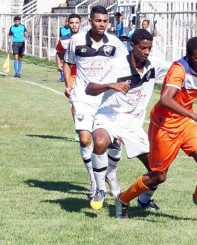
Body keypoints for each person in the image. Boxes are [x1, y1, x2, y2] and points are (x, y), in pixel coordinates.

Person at [115, 36, 197, 219]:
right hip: (165, 127)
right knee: (159, 176)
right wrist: (194, 115)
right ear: (188, 56)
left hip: (186, 125)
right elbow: (165, 98)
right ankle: (123, 200)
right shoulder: (178, 71)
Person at [85, 29, 170, 210]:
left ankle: (144, 200)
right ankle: (100, 189)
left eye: (149, 48)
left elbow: (179, 68)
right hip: (108, 117)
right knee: (99, 142)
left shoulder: (153, 65)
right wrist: (110, 84)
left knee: (159, 172)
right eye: (142, 48)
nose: (146, 52)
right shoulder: (115, 65)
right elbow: (89, 88)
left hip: (133, 125)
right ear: (132, 46)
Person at [64, 5, 128, 199]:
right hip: (83, 97)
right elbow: (68, 62)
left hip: (107, 99)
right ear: (90, 21)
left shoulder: (115, 43)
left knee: (116, 141)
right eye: (98, 21)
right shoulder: (76, 40)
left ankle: (111, 175)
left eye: (105, 21)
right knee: (85, 139)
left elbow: (126, 67)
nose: (102, 24)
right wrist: (68, 84)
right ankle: (94, 179)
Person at [56, 13, 81, 142]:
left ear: (80, 24)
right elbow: (59, 52)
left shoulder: (85, 38)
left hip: (86, 75)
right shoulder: (64, 39)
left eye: (76, 22)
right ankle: (78, 129)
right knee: (75, 104)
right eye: (72, 23)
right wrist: (58, 62)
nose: (74, 25)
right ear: (68, 23)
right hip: (71, 75)